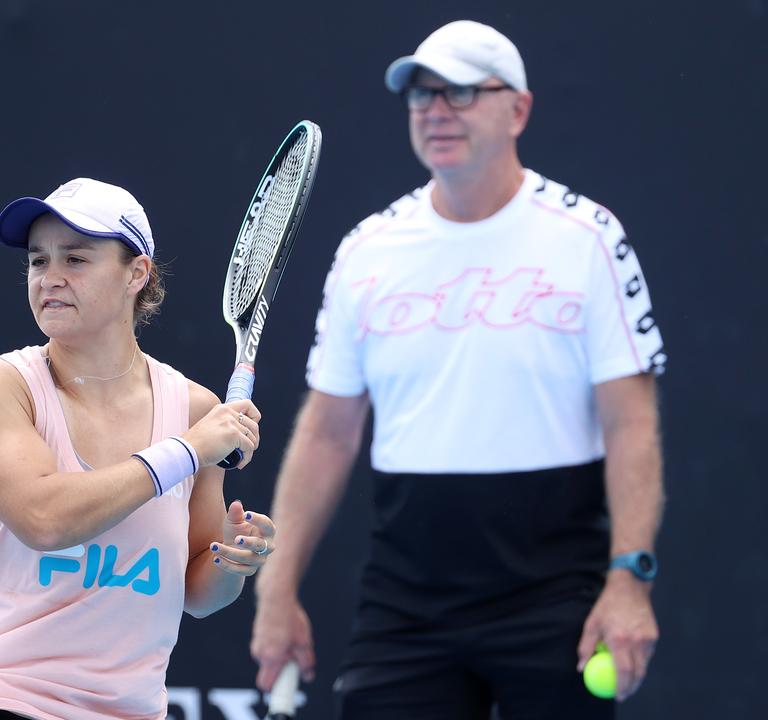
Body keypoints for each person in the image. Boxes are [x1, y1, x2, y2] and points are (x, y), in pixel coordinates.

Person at [249, 20, 665, 719]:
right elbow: (327, 435)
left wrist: (630, 576)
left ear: (519, 109)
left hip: (557, 596)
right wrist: (277, 590)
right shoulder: (368, 250)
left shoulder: (589, 238)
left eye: (461, 92)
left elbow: (632, 426)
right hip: (406, 600)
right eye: (420, 94)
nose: (435, 110)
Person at [0, 178, 276, 720]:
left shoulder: (194, 409)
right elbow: (44, 520)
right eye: (37, 262)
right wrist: (187, 451)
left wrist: (233, 561)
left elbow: (196, 591)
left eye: (75, 259)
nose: (49, 279)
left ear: (136, 273)